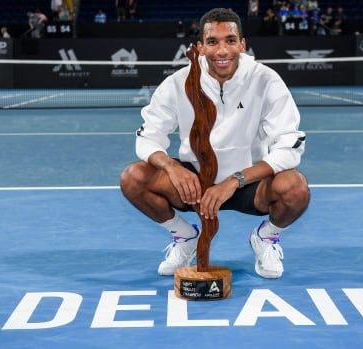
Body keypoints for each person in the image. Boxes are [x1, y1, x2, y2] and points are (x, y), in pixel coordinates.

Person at [120, 8, 310, 279]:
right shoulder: (178, 83)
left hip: (248, 183)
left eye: (230, 40)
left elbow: (290, 146)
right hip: (194, 184)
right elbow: (148, 136)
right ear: (200, 47)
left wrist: (234, 180)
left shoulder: (265, 80)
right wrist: (173, 168)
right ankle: (185, 236)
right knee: (133, 177)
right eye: (212, 42)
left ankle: (266, 238)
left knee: (295, 188)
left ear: (242, 44)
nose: (222, 50)